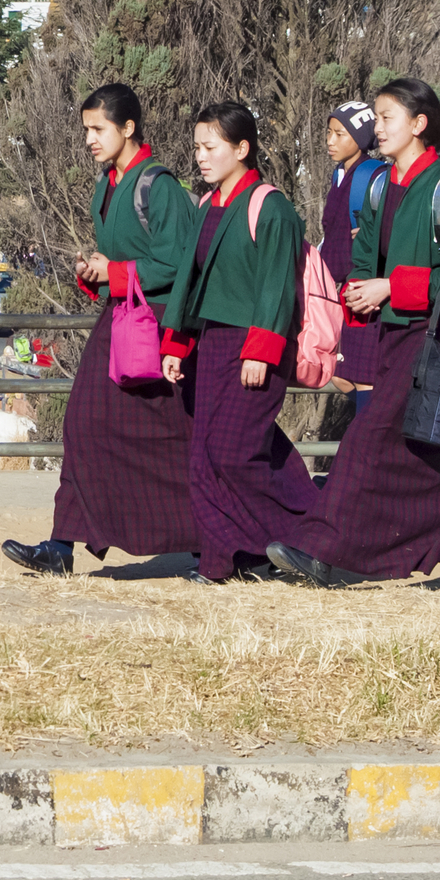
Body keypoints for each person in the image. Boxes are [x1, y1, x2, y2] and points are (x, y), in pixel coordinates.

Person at [271, 76, 440, 591]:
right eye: (376, 118)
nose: (377, 128)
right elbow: (363, 255)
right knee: (439, 447)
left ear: (419, 125)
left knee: (368, 440)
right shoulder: (379, 186)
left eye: (386, 118)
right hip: (391, 336)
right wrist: (358, 287)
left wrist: (389, 287)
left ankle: (322, 550)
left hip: (434, 336)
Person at [4, 83, 199, 577]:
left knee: (176, 438)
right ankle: (61, 545)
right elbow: (127, 260)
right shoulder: (106, 185)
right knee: (84, 425)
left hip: (157, 331)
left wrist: (115, 271)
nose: (89, 139)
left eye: (98, 129)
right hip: (120, 322)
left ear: (128, 127)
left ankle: (212, 535)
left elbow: (176, 263)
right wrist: (97, 269)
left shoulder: (160, 186)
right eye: (86, 130)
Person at [157, 102, 314, 584]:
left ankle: (310, 534)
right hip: (211, 345)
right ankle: (222, 559)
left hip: (253, 347)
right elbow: (189, 282)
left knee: (234, 452)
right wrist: (176, 345)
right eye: (197, 147)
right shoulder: (207, 205)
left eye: (211, 147)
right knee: (204, 456)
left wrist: (261, 351)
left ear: (242, 149)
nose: (201, 157)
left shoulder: (271, 206)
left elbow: (277, 286)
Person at [321, 101, 390, 397]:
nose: (330, 141)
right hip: (344, 290)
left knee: (363, 379)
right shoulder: (340, 174)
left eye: (340, 134)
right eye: (329, 132)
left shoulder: (371, 175)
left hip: (364, 290)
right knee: (342, 376)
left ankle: (370, 440)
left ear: (360, 140)